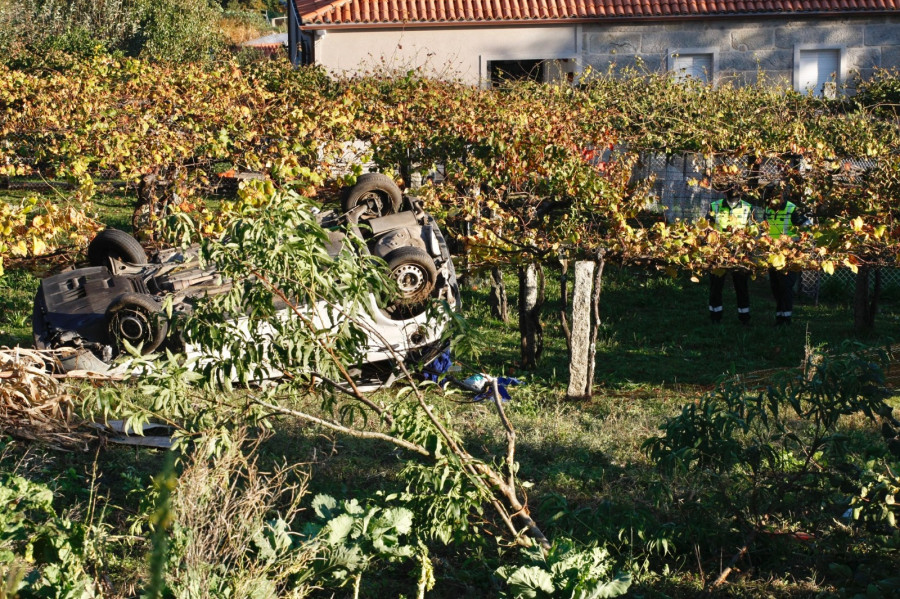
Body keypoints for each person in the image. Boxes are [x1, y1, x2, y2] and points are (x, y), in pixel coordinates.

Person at [764, 180, 812, 325]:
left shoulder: (792, 209)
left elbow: (807, 226)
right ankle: (779, 315)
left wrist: (797, 246)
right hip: (773, 253)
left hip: (789, 254)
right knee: (775, 286)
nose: (770, 200)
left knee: (786, 286)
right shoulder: (768, 210)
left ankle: (786, 318)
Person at [707, 182, 754, 324]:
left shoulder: (747, 207)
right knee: (716, 285)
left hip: (739, 252)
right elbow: (707, 229)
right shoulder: (715, 206)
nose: (733, 192)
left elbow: (752, 231)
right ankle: (715, 316)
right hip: (718, 252)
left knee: (741, 286)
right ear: (724, 192)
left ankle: (744, 317)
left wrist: (748, 250)